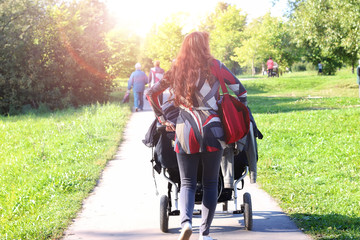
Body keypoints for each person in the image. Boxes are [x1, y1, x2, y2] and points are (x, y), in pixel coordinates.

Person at [146, 31, 247, 240]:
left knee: (187, 183)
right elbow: (242, 91)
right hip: (213, 128)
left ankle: (185, 224)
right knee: (210, 182)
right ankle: (205, 234)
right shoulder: (217, 66)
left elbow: (151, 93)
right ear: (205, 46)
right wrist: (236, 110)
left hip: (185, 129)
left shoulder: (177, 68)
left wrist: (162, 119)